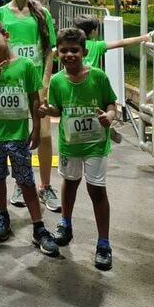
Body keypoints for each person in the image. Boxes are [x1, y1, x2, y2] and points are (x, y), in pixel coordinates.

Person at [0, 20, 59, 256]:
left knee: (26, 181)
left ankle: (39, 227)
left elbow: (34, 98)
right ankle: (2, 216)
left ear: (6, 35)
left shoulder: (25, 66)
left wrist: (35, 128)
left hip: (18, 134)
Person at [40, 27, 119, 271]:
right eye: (64, 50)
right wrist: (46, 110)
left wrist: (110, 115)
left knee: (97, 191)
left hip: (96, 144)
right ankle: (65, 223)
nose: (69, 55)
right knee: (70, 183)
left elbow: (111, 103)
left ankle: (103, 243)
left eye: (74, 50)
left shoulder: (98, 76)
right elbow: (58, 109)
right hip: (70, 145)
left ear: (84, 51)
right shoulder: (56, 80)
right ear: (58, 53)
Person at [0, 0, 59, 212]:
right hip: (10, 86)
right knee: (19, 139)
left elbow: (49, 51)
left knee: (44, 135)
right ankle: (22, 182)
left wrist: (45, 84)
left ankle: (46, 185)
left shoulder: (42, 14)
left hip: (35, 85)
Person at [72, 14, 151, 71]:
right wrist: (143, 38)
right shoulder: (97, 46)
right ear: (93, 32)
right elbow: (122, 43)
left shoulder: (70, 44)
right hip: (91, 83)